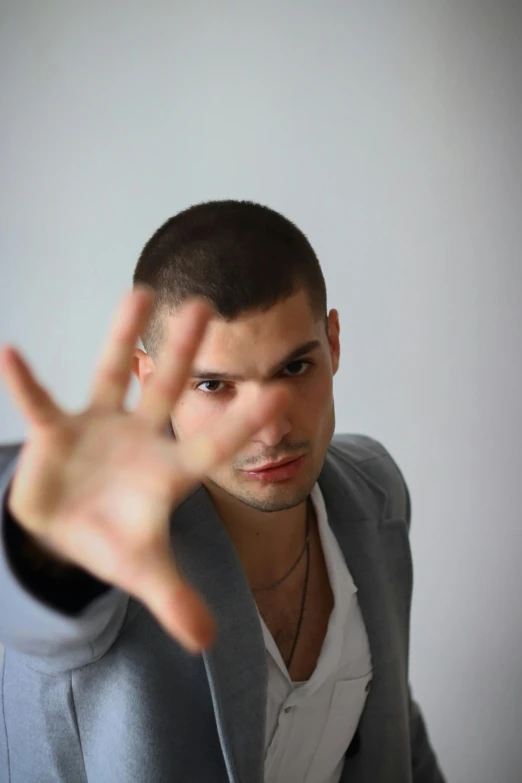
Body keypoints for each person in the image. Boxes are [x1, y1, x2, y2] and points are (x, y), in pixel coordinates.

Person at [0, 200, 446, 783]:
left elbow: (396, 733)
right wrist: (44, 551)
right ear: (150, 379)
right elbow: (32, 619)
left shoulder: (377, 490)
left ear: (333, 342)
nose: (271, 428)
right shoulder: (119, 549)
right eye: (214, 385)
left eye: (294, 369)